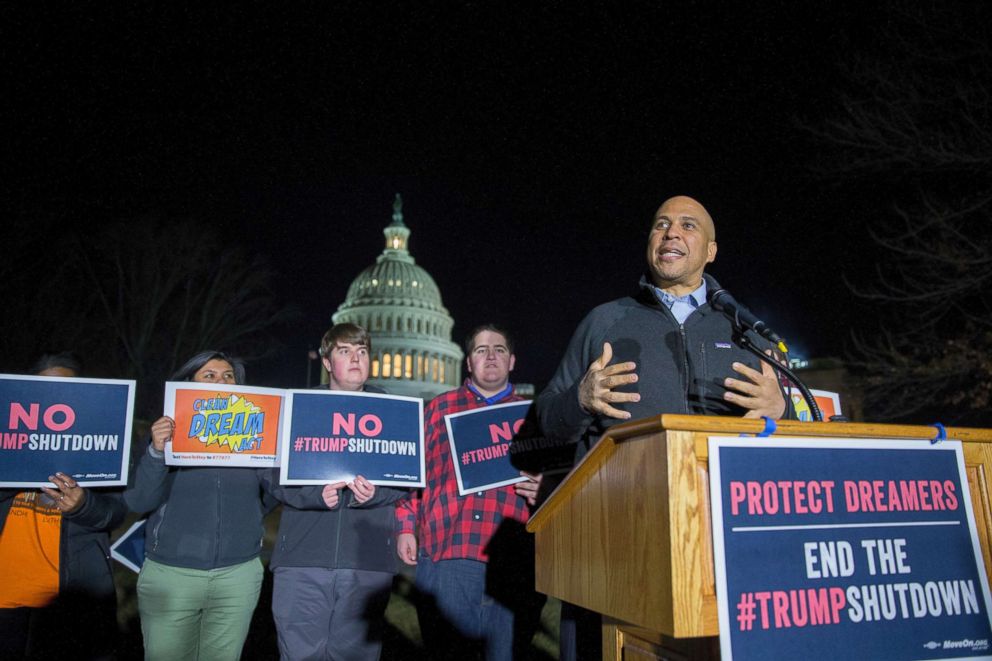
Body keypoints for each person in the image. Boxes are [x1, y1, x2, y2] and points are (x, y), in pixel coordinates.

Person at [536, 195, 790, 660]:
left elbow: (794, 432)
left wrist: (782, 409)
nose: (671, 232)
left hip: (719, 544)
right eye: (661, 225)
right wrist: (581, 398)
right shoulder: (604, 320)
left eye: (688, 226)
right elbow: (545, 420)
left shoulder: (745, 330)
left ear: (711, 250)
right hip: (615, 539)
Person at [396, 324, 544, 661]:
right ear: (468, 362)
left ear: (512, 361)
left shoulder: (536, 418)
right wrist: (406, 526)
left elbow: (561, 485)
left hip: (512, 562)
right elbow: (412, 478)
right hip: (447, 553)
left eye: (499, 349)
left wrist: (546, 490)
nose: (491, 356)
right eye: (481, 350)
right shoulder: (437, 409)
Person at [263, 323, 408, 661]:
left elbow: (406, 480)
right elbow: (269, 473)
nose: (356, 358)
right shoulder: (299, 409)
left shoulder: (394, 413)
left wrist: (376, 494)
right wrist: (312, 495)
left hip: (367, 562)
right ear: (327, 362)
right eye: (345, 351)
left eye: (362, 351)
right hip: (302, 559)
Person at [125, 351, 275, 661]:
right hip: (172, 573)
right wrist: (156, 452)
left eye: (228, 376)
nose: (221, 380)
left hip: (238, 575)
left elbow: (271, 495)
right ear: (188, 384)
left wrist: (248, 522)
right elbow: (140, 500)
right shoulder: (166, 436)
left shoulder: (255, 438)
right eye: (209, 375)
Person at [0, 352, 128, 661]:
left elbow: (117, 512)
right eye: (45, 390)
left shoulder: (104, 446)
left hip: (68, 600)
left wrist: (83, 504)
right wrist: (19, 468)